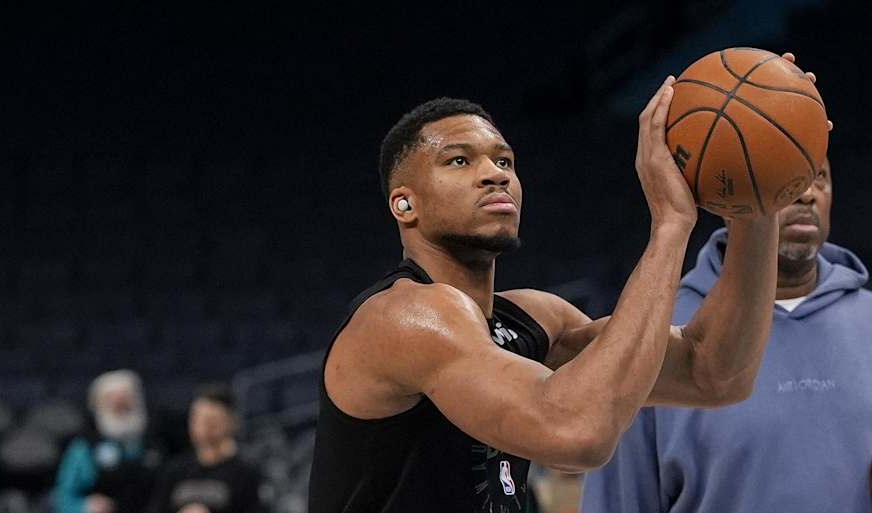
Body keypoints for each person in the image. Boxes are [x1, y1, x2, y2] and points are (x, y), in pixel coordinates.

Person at [308, 65, 805, 512]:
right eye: (459, 161)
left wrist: (759, 201)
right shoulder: (403, 318)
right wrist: (671, 226)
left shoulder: (533, 320)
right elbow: (577, 432)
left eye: (505, 162)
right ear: (404, 205)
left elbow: (712, 374)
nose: (494, 175)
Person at [581, 157, 872, 512]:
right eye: (788, 177)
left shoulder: (867, 320)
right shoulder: (654, 331)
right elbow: (617, 500)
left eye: (819, 176)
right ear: (727, 201)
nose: (807, 193)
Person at [54, 370, 163, 513]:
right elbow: (63, 497)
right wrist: (84, 506)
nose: (120, 404)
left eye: (126, 397)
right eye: (112, 398)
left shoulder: (154, 442)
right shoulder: (84, 447)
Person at [148, 384, 264, 513]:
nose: (203, 428)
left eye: (212, 421)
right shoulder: (175, 471)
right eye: (197, 419)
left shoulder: (246, 474)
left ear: (231, 422)